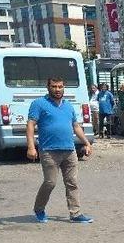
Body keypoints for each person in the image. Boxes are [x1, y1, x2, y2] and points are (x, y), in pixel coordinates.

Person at [26, 77, 94, 224]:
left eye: (60, 87)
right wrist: (31, 147)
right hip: (49, 151)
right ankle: (39, 208)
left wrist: (87, 143)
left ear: (64, 88)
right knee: (50, 182)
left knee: (72, 182)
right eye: (54, 86)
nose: (57, 89)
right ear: (48, 87)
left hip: (69, 150)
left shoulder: (68, 106)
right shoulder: (39, 104)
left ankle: (75, 213)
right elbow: (31, 125)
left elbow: (75, 126)